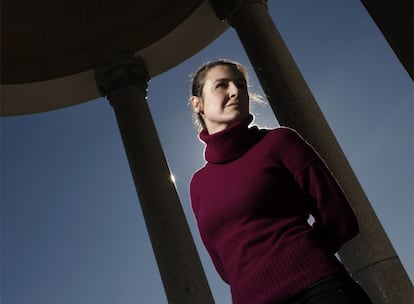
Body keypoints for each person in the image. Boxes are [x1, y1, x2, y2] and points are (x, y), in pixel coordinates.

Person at [188, 59, 373, 304]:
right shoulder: (198, 184)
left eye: (241, 85)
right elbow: (223, 265)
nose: (235, 92)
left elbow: (340, 219)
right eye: (222, 85)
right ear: (197, 103)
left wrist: (299, 257)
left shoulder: (280, 142)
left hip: (320, 291)